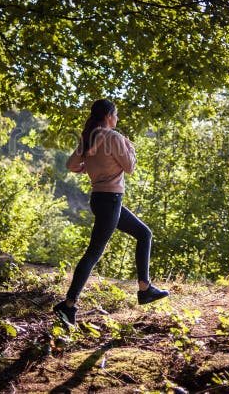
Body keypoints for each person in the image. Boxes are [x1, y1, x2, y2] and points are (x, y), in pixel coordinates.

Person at [53, 99, 169, 327]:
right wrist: (130, 148)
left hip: (100, 199)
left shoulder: (89, 137)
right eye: (115, 115)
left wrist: (86, 167)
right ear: (108, 115)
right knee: (93, 253)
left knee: (144, 234)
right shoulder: (113, 138)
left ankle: (145, 288)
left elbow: (71, 165)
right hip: (111, 200)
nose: (117, 119)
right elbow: (130, 167)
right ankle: (68, 305)